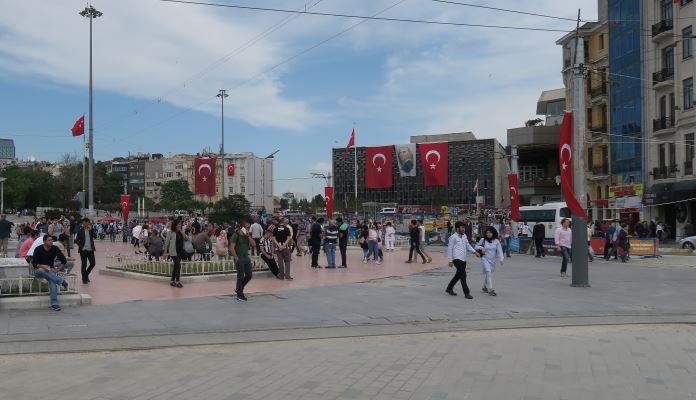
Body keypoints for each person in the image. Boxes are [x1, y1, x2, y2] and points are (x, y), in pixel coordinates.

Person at [31, 235, 70, 311]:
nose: (51, 241)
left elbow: (64, 260)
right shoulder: (38, 249)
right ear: (44, 241)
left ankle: (54, 303)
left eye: (52, 240)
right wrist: (43, 266)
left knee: (52, 281)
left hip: (50, 271)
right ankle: (61, 281)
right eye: (49, 240)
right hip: (39, 271)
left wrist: (57, 269)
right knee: (42, 270)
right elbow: (34, 264)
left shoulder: (55, 248)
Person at [446, 221, 478, 298]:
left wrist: (474, 252)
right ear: (457, 228)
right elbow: (450, 249)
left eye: (464, 228)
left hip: (463, 259)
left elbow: (468, 245)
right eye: (462, 228)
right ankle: (466, 293)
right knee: (463, 275)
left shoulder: (464, 236)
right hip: (456, 259)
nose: (464, 229)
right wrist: (450, 260)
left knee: (458, 275)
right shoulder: (453, 237)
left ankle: (449, 288)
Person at [230, 221, 256, 301]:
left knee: (249, 275)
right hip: (239, 258)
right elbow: (231, 248)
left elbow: (254, 244)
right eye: (247, 227)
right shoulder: (236, 235)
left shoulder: (247, 236)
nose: (249, 229)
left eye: (249, 227)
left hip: (246, 258)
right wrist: (236, 257)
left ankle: (239, 288)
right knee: (240, 276)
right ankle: (240, 295)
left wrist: (248, 236)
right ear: (243, 227)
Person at [475, 226, 504, 296]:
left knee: (489, 273)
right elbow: (476, 246)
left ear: (493, 233)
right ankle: (490, 289)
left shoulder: (496, 241)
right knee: (488, 271)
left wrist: (501, 259)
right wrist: (481, 248)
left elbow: (500, 250)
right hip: (485, 259)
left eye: (490, 232)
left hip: (492, 260)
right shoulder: (483, 240)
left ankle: (484, 287)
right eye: (487, 232)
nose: (488, 234)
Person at [164, 219, 185, 288]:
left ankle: (172, 281)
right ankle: (178, 281)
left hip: (179, 251)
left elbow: (186, 238)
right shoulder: (170, 232)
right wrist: (165, 252)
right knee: (178, 265)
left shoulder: (180, 232)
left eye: (180, 224)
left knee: (176, 265)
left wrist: (181, 231)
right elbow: (166, 243)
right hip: (173, 251)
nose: (179, 225)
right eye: (178, 224)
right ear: (175, 225)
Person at [75, 218, 97, 284]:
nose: (85, 224)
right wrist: (81, 247)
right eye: (84, 223)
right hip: (83, 250)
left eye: (87, 223)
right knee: (84, 265)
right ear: (82, 223)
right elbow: (76, 240)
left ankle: (85, 275)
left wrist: (91, 230)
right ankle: (84, 279)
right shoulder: (80, 230)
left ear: (89, 223)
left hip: (90, 250)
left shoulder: (90, 230)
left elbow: (95, 236)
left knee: (93, 263)